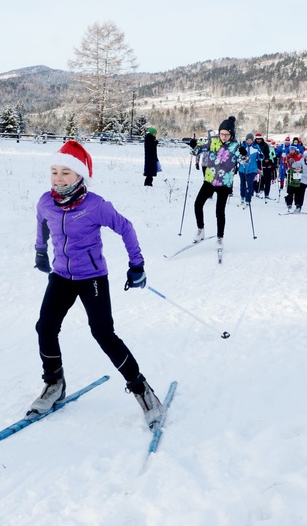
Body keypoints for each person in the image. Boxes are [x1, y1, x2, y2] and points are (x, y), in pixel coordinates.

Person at [32, 140, 164, 430]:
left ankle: (143, 391)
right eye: (54, 171)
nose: (58, 178)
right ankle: (54, 383)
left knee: (103, 333)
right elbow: (42, 222)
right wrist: (40, 250)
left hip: (91, 277)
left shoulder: (95, 206)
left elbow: (125, 227)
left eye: (66, 172)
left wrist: (137, 265)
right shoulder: (45, 201)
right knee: (45, 327)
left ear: (80, 175)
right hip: (61, 276)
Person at [188, 116, 245, 249]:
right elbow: (198, 150)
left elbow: (244, 161)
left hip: (224, 182)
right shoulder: (213, 141)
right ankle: (200, 230)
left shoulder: (235, 146)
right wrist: (193, 145)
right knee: (197, 204)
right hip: (210, 179)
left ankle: (220, 238)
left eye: (226, 134)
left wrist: (243, 154)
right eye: (221, 134)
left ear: (231, 134)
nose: (224, 137)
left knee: (220, 211)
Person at [238, 133, 264, 208]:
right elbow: (237, 156)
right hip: (243, 169)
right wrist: (241, 158)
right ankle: (242, 198)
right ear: (246, 140)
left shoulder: (256, 147)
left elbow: (260, 157)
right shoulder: (242, 146)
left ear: (252, 140)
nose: (249, 141)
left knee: (249, 184)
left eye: (250, 140)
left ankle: (248, 200)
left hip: (252, 169)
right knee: (242, 184)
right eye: (247, 140)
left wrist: (261, 156)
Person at [283, 147, 304, 212]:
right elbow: (285, 165)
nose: (291, 151)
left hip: (299, 173)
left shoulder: (299, 155)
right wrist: (284, 159)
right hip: (291, 173)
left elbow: (303, 163)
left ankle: (298, 205)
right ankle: (289, 203)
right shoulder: (288, 156)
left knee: (298, 190)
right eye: (290, 150)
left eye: (292, 150)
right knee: (290, 190)